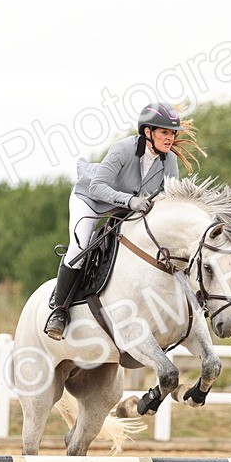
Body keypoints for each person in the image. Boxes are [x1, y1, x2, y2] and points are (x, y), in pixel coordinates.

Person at [44, 102, 201, 340]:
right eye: (164, 132)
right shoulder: (123, 149)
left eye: (172, 133)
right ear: (147, 132)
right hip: (90, 200)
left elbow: (169, 200)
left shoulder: (168, 161)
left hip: (125, 208)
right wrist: (130, 201)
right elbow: (97, 187)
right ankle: (59, 311)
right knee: (79, 248)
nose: (170, 138)